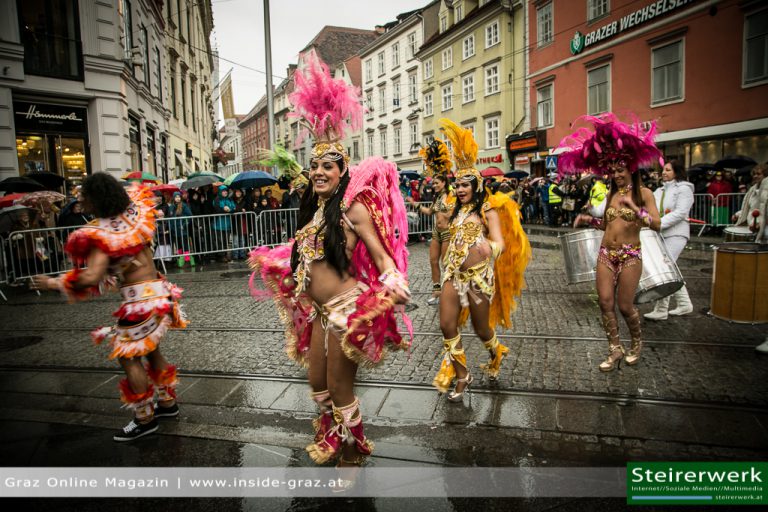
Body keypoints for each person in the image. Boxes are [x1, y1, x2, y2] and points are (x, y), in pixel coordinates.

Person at [248, 53, 412, 470]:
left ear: (342, 171)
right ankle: (330, 436)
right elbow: (309, 258)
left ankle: (353, 453)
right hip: (319, 312)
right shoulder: (315, 211)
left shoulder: (352, 210)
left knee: (340, 388)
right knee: (317, 386)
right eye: (314, 165)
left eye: (328, 166)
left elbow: (381, 255)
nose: (319, 171)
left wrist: (394, 280)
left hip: (346, 311)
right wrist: (277, 261)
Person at [30, 173, 187, 441]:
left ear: (96, 199)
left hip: (139, 303)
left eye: (84, 196)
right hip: (160, 294)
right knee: (151, 351)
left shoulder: (100, 232)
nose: (81, 201)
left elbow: (91, 276)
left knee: (129, 357)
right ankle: (167, 403)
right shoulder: (134, 213)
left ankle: (145, 418)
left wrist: (53, 283)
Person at [431, 119, 531, 402]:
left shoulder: (489, 210)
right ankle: (463, 376)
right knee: (446, 325)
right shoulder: (456, 212)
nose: (460, 189)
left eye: (465, 185)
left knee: (481, 328)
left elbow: (498, 241)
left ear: (476, 186)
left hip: (477, 279)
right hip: (453, 275)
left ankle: (495, 350)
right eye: (457, 184)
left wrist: (491, 248)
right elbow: (446, 232)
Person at [566, 114, 662, 371]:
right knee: (605, 302)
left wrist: (635, 208)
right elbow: (608, 225)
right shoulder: (610, 194)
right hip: (606, 253)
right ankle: (614, 349)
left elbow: (656, 224)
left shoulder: (644, 194)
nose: (616, 175)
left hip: (631, 254)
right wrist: (589, 220)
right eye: (612, 171)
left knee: (624, 305)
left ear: (630, 169)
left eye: (620, 170)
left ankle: (636, 343)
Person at [644, 160, 694, 320]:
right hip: (660, 234)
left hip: (677, 234)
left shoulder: (684, 189)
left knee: (664, 268)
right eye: (663, 170)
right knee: (671, 269)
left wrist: (659, 224)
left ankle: (661, 309)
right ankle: (685, 304)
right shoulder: (659, 190)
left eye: (668, 170)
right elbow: (650, 209)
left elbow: (680, 212)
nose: (664, 172)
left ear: (677, 172)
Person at [409, 139, 454, 306]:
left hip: (448, 233)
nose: (433, 185)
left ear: (444, 182)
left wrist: (449, 211)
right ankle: (436, 291)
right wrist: (415, 204)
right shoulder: (436, 198)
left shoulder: (451, 196)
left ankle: (449, 292)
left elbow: (453, 213)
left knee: (445, 263)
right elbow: (429, 212)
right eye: (433, 183)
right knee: (433, 261)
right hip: (437, 232)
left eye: (436, 183)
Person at [732, 163, 766, 236]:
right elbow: (750, 209)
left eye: (758, 174)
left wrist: (759, 224)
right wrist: (738, 214)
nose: (755, 176)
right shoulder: (752, 189)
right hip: (753, 227)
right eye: (754, 174)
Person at [167, 191, 194, 268]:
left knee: (185, 244)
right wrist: (170, 227)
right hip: (175, 230)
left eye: (178, 197)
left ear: (180, 198)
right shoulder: (171, 207)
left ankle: (187, 260)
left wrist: (184, 225)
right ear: (173, 198)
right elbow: (169, 218)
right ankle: (180, 260)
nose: (177, 198)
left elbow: (189, 216)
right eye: (176, 197)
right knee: (178, 245)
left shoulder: (184, 206)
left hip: (183, 230)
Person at [212, 185, 235, 262]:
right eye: (223, 191)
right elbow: (217, 209)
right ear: (220, 192)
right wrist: (224, 209)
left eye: (226, 191)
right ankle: (220, 256)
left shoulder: (229, 199)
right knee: (220, 241)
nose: (225, 192)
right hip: (218, 224)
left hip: (227, 224)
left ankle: (225, 254)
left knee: (226, 240)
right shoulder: (217, 199)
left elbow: (234, 208)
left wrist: (229, 210)